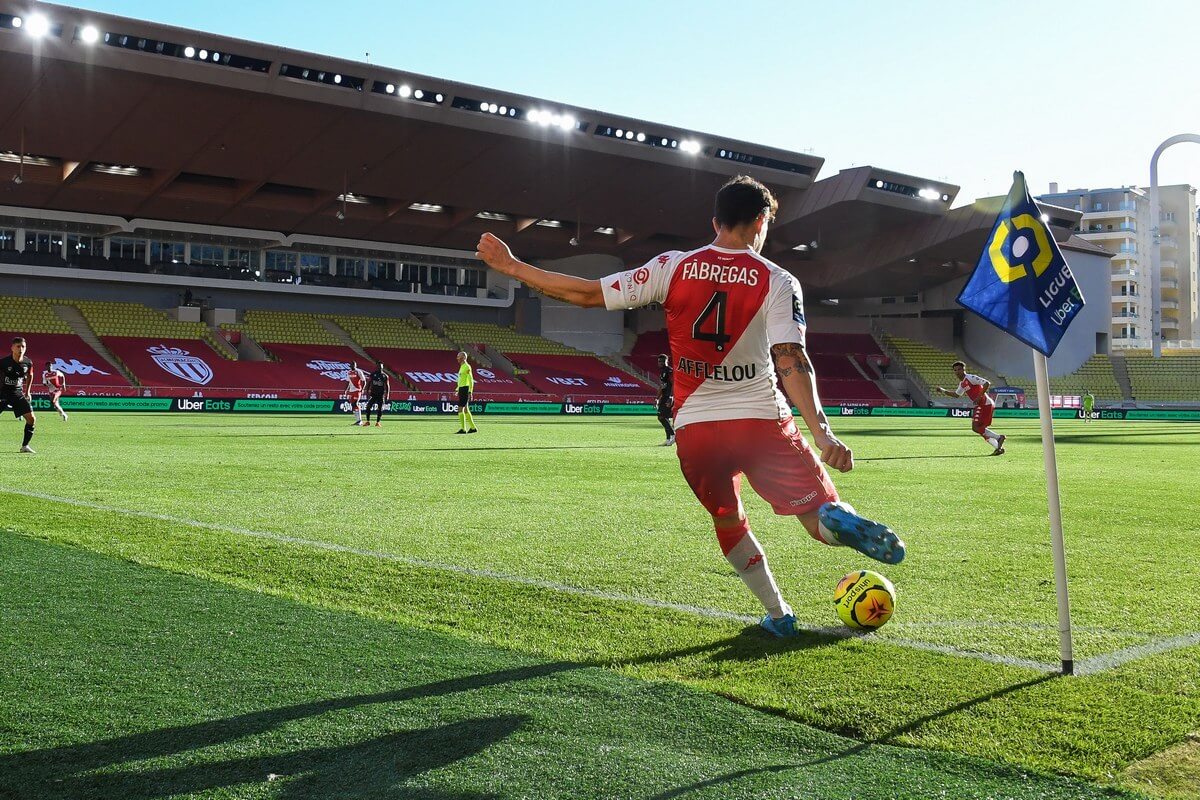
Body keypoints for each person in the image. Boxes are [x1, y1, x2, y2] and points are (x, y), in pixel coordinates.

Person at [476, 174, 906, 639]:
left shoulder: (673, 267)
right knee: (813, 511)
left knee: (728, 519)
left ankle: (779, 615)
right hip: (760, 419)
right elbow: (790, 360)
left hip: (697, 429)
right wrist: (822, 431)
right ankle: (830, 517)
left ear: (715, 220)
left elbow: (586, 293)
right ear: (761, 222)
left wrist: (515, 267)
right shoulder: (778, 281)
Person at [934, 362, 1006, 455]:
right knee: (981, 429)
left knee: (976, 428)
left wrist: (979, 397)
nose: (957, 372)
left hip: (985, 404)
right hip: (981, 405)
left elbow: (987, 383)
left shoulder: (970, 378)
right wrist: (943, 390)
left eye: (959, 369)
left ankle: (999, 437)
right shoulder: (962, 383)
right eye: (955, 370)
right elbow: (956, 395)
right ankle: (998, 448)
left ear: (964, 369)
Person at [1, 337, 37, 453]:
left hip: (17, 393)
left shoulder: (28, 362)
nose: (20, 349)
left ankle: (25, 446)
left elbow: (30, 376)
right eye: (18, 346)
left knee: (31, 419)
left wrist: (28, 392)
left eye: (23, 346)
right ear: (12, 348)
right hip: (2, 393)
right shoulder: (3, 362)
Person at [455, 351, 478, 434]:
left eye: (459, 356)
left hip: (465, 389)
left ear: (464, 357)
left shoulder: (467, 367)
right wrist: (458, 389)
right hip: (462, 389)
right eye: (457, 356)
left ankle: (463, 429)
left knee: (460, 408)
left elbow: (470, 379)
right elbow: (461, 380)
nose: (457, 358)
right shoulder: (462, 367)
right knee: (466, 410)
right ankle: (473, 428)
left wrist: (470, 391)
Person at [656, 353, 675, 446]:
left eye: (662, 361)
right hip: (664, 397)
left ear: (667, 361)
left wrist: (671, 397)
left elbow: (674, 384)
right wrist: (657, 398)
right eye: (659, 361)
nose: (660, 363)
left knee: (661, 417)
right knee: (664, 417)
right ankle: (668, 439)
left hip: (668, 397)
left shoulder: (669, 371)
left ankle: (673, 435)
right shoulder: (662, 372)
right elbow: (662, 386)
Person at [365, 361, 389, 427]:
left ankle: (378, 422)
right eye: (379, 366)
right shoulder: (373, 374)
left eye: (381, 367)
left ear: (382, 367)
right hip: (373, 394)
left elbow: (387, 386)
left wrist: (387, 394)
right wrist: (366, 392)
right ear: (377, 367)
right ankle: (367, 421)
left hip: (380, 395)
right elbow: (369, 383)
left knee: (380, 409)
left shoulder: (385, 376)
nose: (380, 368)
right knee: (368, 407)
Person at [345, 361, 366, 426]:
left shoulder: (359, 371)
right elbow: (349, 382)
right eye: (352, 365)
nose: (353, 366)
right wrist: (346, 390)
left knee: (355, 403)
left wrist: (362, 389)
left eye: (354, 365)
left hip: (357, 390)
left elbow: (364, 381)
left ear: (356, 365)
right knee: (353, 405)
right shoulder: (349, 372)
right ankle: (357, 421)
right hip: (351, 391)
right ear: (350, 366)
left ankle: (360, 421)